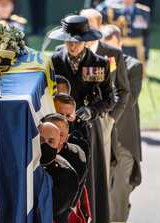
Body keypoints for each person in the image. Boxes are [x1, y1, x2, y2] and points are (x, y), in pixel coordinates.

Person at [49, 15, 117, 223]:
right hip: (60, 127)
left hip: (87, 128)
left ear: (86, 41)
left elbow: (110, 98)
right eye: (68, 41)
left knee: (89, 177)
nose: (71, 45)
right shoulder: (54, 61)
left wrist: (91, 110)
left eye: (76, 42)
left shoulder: (100, 63)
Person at [80, 8, 130, 185]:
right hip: (77, 117)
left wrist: (111, 119)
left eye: (90, 25)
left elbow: (123, 90)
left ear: (99, 27)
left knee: (101, 172)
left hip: (103, 118)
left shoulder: (112, 53)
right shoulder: (68, 51)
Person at [102, 24, 143, 223]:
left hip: (124, 139)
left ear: (118, 44)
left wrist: (113, 69)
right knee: (102, 193)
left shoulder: (133, 65)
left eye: (111, 45)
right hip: (104, 136)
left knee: (119, 193)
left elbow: (128, 99)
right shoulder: (96, 62)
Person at [39, 122, 79, 223]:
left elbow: (53, 208)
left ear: (59, 146)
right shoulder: (25, 164)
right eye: (41, 140)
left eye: (51, 141)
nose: (45, 145)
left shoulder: (67, 174)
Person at [97, 0, 150, 71]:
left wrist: (145, 53)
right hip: (118, 47)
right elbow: (98, 13)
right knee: (114, 71)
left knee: (133, 71)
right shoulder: (112, 9)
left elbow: (146, 34)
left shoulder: (143, 12)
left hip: (135, 50)